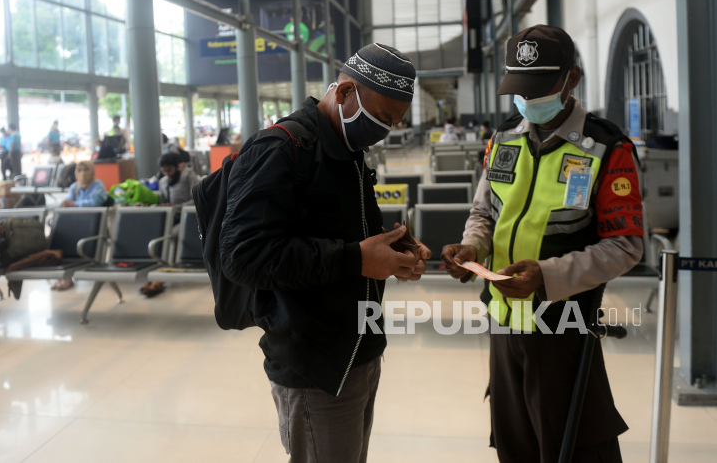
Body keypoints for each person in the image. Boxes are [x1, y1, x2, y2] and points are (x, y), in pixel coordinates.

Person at [441, 25, 643, 463]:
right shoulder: (504, 138)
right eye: (520, 89)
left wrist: (547, 277)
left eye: (538, 88)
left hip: (562, 327)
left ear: (571, 79)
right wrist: (472, 247)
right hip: (502, 323)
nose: (527, 100)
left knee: (574, 445)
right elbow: (483, 213)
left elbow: (626, 245)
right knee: (515, 444)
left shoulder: (606, 149)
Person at [221, 43, 430, 462]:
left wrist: (393, 248)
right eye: (381, 118)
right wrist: (357, 259)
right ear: (346, 91)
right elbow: (243, 256)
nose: (385, 129)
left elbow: (339, 234)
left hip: (358, 349)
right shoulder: (279, 150)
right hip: (315, 365)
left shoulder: (348, 150)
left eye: (394, 122)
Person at [139, 152, 201, 298]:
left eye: (169, 170)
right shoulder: (163, 181)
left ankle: (162, 276)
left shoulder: (189, 176)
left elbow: (199, 198)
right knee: (157, 236)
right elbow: (164, 200)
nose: (166, 174)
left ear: (178, 166)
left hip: (190, 218)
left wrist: (176, 207)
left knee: (172, 235)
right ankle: (157, 273)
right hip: (173, 217)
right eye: (164, 171)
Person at [53, 160, 108, 291]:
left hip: (94, 225)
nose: (82, 173)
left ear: (92, 171)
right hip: (77, 223)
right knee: (61, 239)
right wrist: (66, 203)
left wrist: (73, 204)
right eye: (80, 170)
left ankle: (67, 276)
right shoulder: (75, 187)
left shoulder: (98, 185)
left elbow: (94, 202)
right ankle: (64, 275)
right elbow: (68, 201)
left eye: (86, 170)